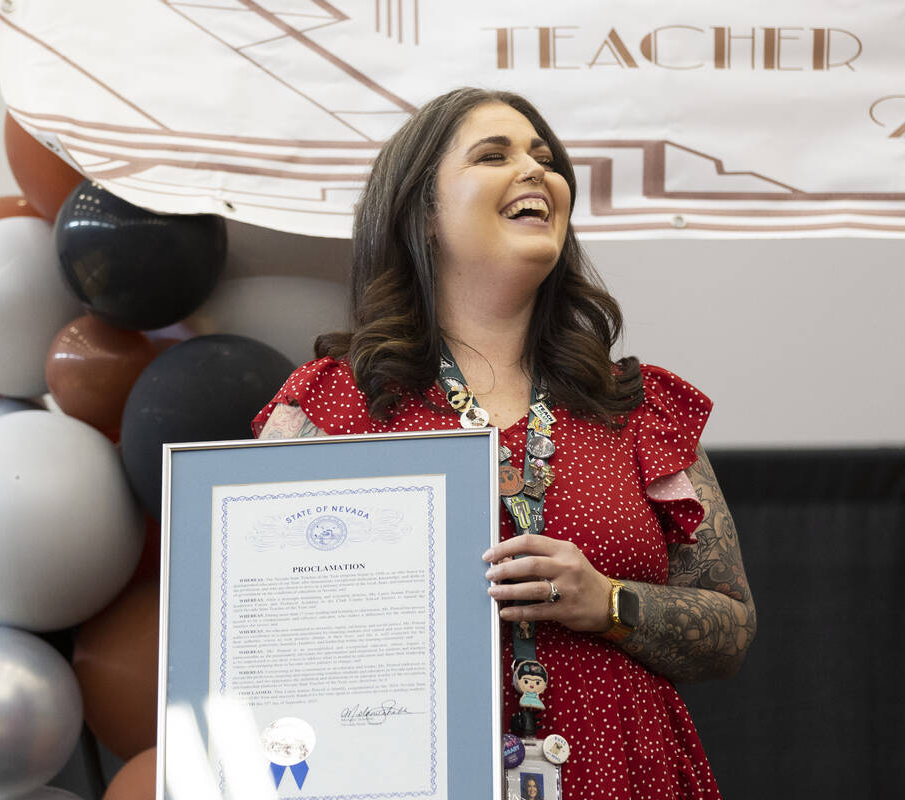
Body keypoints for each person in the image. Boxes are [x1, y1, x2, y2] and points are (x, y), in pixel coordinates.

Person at [252, 87, 756, 798]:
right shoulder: (332, 406)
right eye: (495, 155)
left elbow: (732, 627)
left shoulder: (636, 407)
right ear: (421, 214)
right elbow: (264, 628)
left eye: (545, 160)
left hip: (627, 774)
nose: (536, 171)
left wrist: (609, 602)